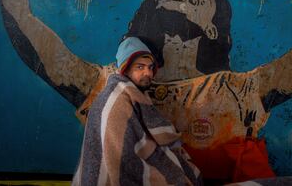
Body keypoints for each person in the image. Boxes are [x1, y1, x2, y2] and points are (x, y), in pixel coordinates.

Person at [72, 37, 202, 186]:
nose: (148, 73)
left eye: (150, 67)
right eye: (140, 67)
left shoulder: (136, 94)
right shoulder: (116, 99)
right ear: (125, 69)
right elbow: (123, 156)